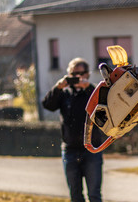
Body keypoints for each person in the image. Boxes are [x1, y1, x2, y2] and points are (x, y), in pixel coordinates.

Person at [42, 57, 103, 202]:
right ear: (69, 75)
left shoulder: (93, 92)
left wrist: (87, 87)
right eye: (74, 74)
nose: (78, 77)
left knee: (94, 195)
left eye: (81, 73)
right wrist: (58, 87)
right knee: (75, 196)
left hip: (91, 149)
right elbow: (47, 105)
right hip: (70, 150)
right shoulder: (64, 94)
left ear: (87, 74)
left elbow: (104, 103)